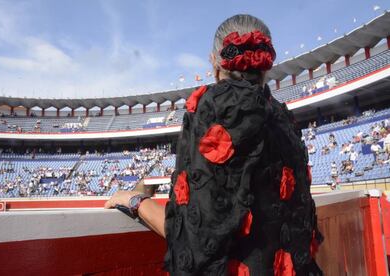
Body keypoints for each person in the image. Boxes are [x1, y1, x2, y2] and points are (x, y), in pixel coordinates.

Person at [105, 14, 323, 275]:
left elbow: (194, 238)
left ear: (214, 62)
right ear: (266, 64)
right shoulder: (282, 117)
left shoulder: (214, 108)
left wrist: (136, 201)